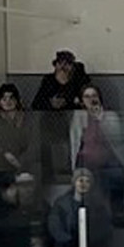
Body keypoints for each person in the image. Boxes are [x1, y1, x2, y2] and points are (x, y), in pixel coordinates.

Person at [70, 84, 124, 217]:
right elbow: (75, 141)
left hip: (107, 157)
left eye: (94, 96)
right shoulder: (78, 117)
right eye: (86, 97)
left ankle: (118, 211)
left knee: (116, 173)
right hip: (86, 157)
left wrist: (99, 118)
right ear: (82, 101)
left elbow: (116, 139)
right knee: (87, 176)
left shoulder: (110, 116)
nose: (91, 99)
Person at [33, 51, 90, 180]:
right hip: (51, 124)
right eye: (60, 63)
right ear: (55, 65)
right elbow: (36, 104)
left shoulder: (80, 79)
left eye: (67, 64)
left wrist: (68, 102)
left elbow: (84, 102)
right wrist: (50, 104)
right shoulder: (48, 80)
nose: (63, 67)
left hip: (73, 124)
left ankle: (73, 172)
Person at [47, 166, 113, 247]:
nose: (83, 184)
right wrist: (67, 242)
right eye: (80, 180)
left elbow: (104, 228)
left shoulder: (98, 206)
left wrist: (93, 242)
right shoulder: (61, 204)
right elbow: (55, 226)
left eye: (87, 181)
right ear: (74, 182)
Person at [0, 83, 41, 181]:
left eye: (11, 98)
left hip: (25, 166)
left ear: (17, 100)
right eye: (4, 99)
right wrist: (3, 152)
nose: (8, 102)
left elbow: (35, 141)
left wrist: (22, 161)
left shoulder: (28, 117)